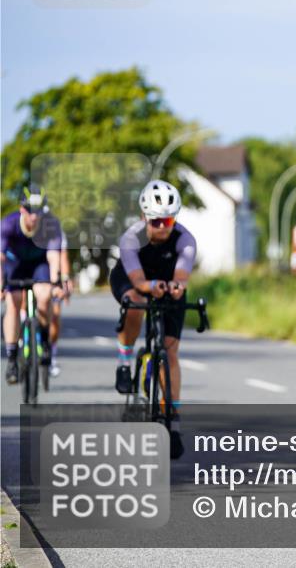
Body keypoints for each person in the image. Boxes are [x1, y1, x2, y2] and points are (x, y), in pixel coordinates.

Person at [110, 180, 196, 459]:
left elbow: (181, 276)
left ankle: (173, 420)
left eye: (167, 220)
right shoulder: (131, 238)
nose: (162, 227)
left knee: (170, 352)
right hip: (132, 278)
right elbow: (137, 279)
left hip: (167, 283)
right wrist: (150, 287)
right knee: (136, 303)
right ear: (144, 217)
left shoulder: (185, 240)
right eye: (155, 221)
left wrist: (176, 287)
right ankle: (124, 361)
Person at [2, 186, 66, 383]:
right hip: (15, 264)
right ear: (22, 210)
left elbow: (54, 256)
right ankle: (12, 358)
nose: (35, 216)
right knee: (13, 302)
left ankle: (44, 341)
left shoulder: (51, 224)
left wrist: (56, 281)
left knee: (45, 296)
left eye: (39, 211)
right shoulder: (8, 225)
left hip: (39, 265)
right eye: (31, 211)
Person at [47, 225, 74, 377]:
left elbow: (63, 256)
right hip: (30, 269)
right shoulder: (24, 229)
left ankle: (52, 356)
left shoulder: (56, 231)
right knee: (22, 300)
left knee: (55, 316)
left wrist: (65, 280)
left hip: (52, 273)